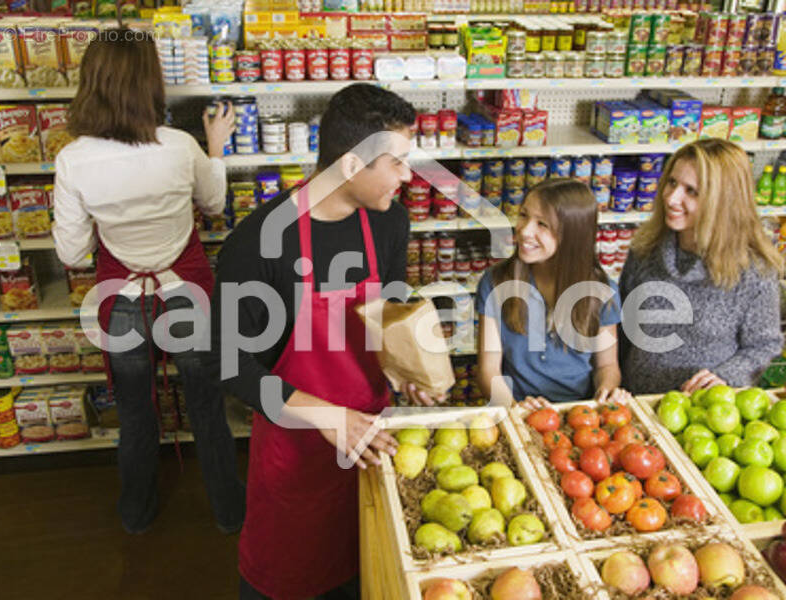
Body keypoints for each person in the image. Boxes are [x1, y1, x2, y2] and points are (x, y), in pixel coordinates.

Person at [204, 83, 443, 600]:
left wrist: (409, 370)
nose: (408, 177)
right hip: (297, 454)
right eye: (398, 163)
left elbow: (390, 311)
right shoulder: (259, 243)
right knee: (291, 580)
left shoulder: (389, 222)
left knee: (372, 574)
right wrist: (330, 416)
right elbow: (232, 366)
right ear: (353, 166)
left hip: (374, 446)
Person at [52, 28, 245, 535]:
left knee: (136, 416)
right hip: (187, 293)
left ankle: (136, 516)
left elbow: (71, 252)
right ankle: (230, 515)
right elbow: (214, 205)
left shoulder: (72, 159)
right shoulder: (180, 147)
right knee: (208, 408)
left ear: (90, 83)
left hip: (121, 302)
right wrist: (216, 148)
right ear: (151, 83)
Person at [619, 139, 783, 395]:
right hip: (637, 403)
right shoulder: (644, 249)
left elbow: (764, 345)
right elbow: (623, 326)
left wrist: (726, 376)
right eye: (672, 183)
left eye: (691, 191)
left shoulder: (754, 272)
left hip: (704, 413)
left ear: (724, 201)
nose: (672, 198)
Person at [476, 178, 629, 406]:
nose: (525, 230)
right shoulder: (496, 282)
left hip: (579, 413)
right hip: (517, 407)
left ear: (572, 235)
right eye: (524, 215)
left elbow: (606, 366)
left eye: (542, 224)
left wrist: (607, 390)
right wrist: (513, 408)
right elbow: (489, 369)